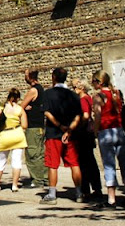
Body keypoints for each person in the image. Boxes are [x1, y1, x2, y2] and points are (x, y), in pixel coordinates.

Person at [40, 67, 83, 205]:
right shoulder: (73, 95)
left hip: (53, 133)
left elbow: (47, 113)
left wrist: (59, 125)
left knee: (53, 165)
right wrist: (69, 129)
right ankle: (79, 193)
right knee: (74, 163)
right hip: (72, 135)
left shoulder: (48, 94)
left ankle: (52, 195)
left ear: (53, 77)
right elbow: (78, 115)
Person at [92, 70, 125, 208]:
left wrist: (95, 131)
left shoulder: (98, 96)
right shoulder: (116, 92)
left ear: (99, 82)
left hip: (106, 131)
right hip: (119, 130)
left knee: (109, 166)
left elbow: (98, 115)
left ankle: (111, 199)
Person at [0, 88, 27, 192]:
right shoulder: (20, 109)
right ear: (18, 98)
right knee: (17, 161)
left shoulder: (0, 107)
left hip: (5, 135)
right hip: (18, 135)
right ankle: (14, 185)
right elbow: (24, 125)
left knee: (0, 161)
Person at [72, 78, 103, 201]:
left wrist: (79, 124)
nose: (74, 89)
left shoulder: (83, 99)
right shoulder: (89, 98)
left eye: (75, 87)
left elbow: (85, 115)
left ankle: (86, 190)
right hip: (88, 134)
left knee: (84, 163)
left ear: (82, 88)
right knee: (91, 162)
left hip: (83, 134)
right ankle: (96, 188)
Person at [20, 68, 48, 188]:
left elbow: (21, 106)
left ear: (30, 77)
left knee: (32, 153)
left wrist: (24, 107)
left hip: (33, 126)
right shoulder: (41, 89)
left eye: (26, 75)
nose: (24, 77)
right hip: (40, 126)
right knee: (41, 153)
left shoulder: (33, 90)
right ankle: (45, 178)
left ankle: (37, 180)